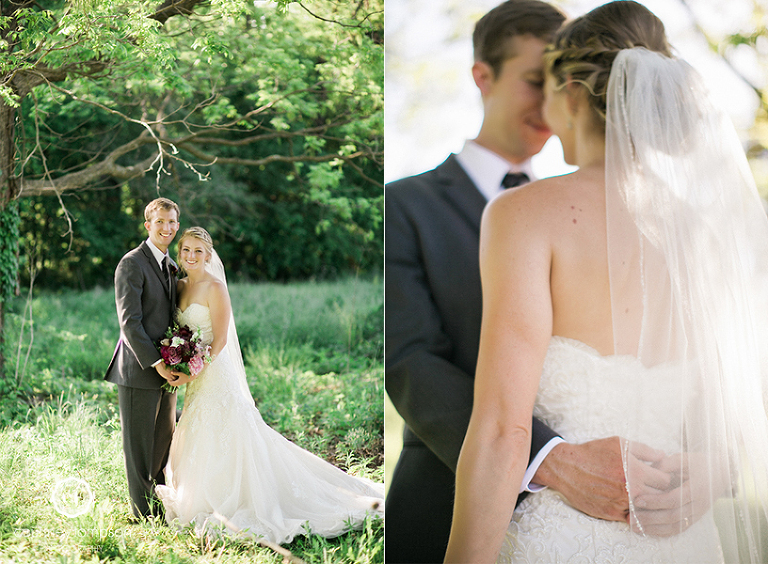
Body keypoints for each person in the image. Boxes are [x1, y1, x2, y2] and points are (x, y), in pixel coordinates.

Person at [445, 2, 768, 562]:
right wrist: (714, 471)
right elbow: (738, 394)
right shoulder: (707, 232)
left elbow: (502, 432)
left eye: (548, 89)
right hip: (682, 538)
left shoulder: (523, 214)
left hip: (566, 538)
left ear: (571, 94)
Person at [386, 2, 680, 561]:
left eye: (560, 81)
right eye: (534, 80)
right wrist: (553, 459)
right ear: (484, 77)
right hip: (442, 501)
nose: (549, 99)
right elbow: (408, 359)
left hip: (646, 509)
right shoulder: (402, 205)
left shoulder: (577, 210)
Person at [154, 227, 384, 544]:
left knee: (230, 429)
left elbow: (219, 341)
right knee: (199, 429)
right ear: (179, 254)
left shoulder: (215, 287)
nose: (191, 256)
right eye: (186, 250)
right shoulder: (179, 287)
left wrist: (193, 370)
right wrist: (178, 359)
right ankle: (201, 495)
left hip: (214, 372)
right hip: (194, 376)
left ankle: (243, 498)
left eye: (198, 251)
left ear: (208, 255)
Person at [105, 197, 185, 519]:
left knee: (162, 441)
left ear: (177, 225)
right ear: (147, 225)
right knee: (138, 447)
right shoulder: (132, 263)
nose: (166, 227)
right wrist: (158, 363)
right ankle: (143, 514)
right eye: (160, 222)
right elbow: (130, 323)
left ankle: (159, 502)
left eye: (171, 222)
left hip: (169, 369)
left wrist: (181, 358)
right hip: (139, 369)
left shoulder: (171, 265)